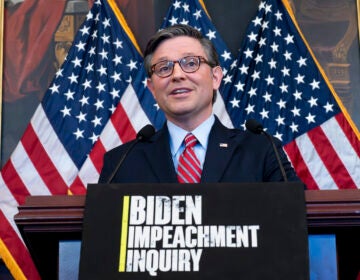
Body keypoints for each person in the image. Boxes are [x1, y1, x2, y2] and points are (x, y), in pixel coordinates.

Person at [98, 24, 299, 184]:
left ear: (215, 77)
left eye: (191, 63)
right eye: (163, 67)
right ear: (151, 88)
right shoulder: (122, 162)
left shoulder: (261, 151)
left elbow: (294, 220)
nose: (177, 75)